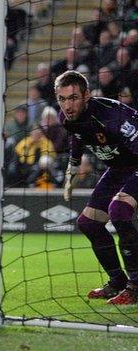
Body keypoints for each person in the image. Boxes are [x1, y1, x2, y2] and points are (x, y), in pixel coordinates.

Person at [59, 70, 138, 305]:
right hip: (118, 169)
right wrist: (72, 169)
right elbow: (77, 136)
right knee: (88, 223)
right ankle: (118, 281)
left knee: (120, 211)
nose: (67, 105)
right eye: (62, 99)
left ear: (87, 96)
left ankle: (136, 286)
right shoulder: (68, 119)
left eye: (73, 98)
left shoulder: (113, 118)